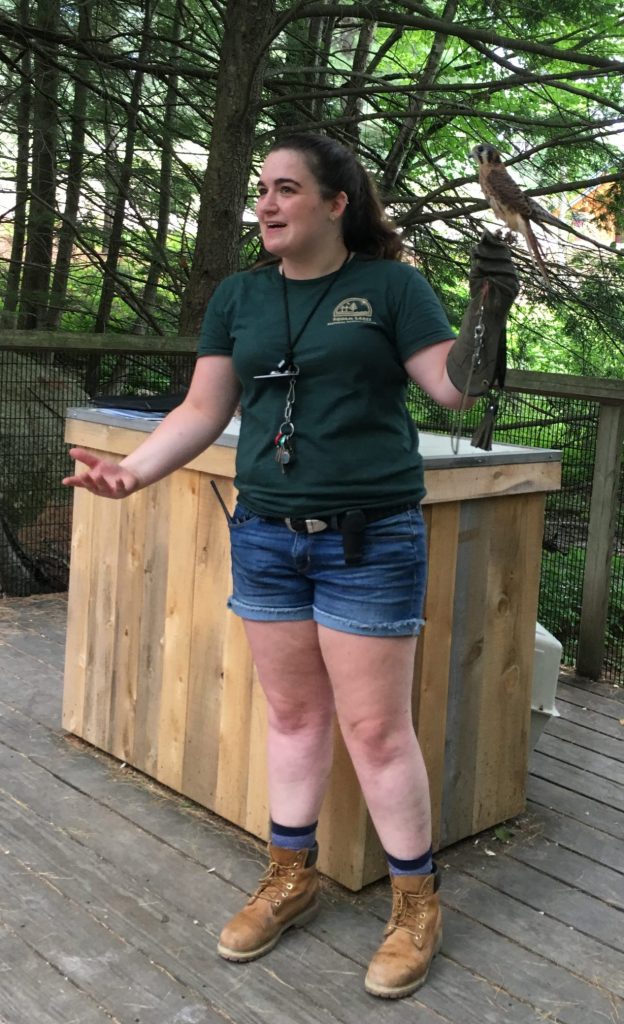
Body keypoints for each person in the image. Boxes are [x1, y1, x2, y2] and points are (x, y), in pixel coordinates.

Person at [63, 132, 518, 999]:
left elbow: (455, 388)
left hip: (369, 537)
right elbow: (203, 408)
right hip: (268, 532)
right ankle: (291, 877)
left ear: (336, 203)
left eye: (286, 189)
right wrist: (132, 471)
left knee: (377, 733)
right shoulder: (239, 296)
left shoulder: (389, 286)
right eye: (261, 190)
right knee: (296, 718)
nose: (266, 204)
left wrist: (485, 311)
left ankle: (417, 902)